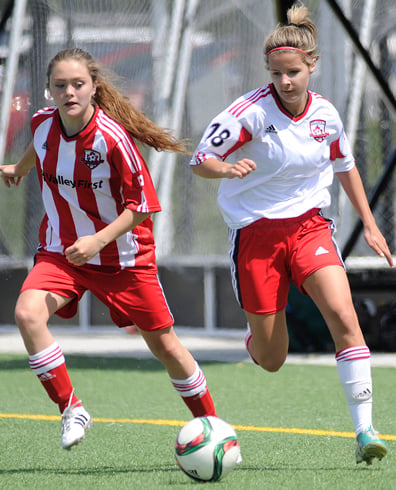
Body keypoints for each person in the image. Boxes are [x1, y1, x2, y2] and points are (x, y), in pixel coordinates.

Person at [190, 2, 393, 466]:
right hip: (256, 236)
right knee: (272, 357)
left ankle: (365, 430)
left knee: (344, 316)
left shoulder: (327, 115)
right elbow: (199, 160)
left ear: (311, 66)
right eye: (277, 73)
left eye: (294, 72)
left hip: (309, 228)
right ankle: (255, 341)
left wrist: (372, 224)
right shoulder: (249, 113)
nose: (285, 82)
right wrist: (226, 166)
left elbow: (346, 166)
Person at [0, 48, 217, 450]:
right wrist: (20, 168)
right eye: (60, 85)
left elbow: (144, 205)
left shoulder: (112, 138)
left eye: (78, 84)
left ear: (94, 87)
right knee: (27, 314)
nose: (70, 92)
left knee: (166, 346)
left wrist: (99, 239)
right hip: (62, 252)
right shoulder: (42, 124)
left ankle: (213, 424)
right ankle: (72, 408)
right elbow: (41, 146)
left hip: (124, 258)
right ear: (48, 90)